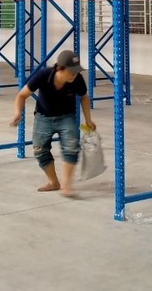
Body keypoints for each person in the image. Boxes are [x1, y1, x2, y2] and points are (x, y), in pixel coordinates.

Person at [10, 49, 96, 197]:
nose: (74, 75)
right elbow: (21, 95)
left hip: (66, 117)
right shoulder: (43, 75)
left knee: (71, 146)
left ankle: (66, 185)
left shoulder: (77, 79)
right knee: (39, 150)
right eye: (71, 72)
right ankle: (53, 182)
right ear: (59, 68)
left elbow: (84, 97)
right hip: (43, 117)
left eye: (76, 72)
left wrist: (88, 119)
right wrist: (17, 113)